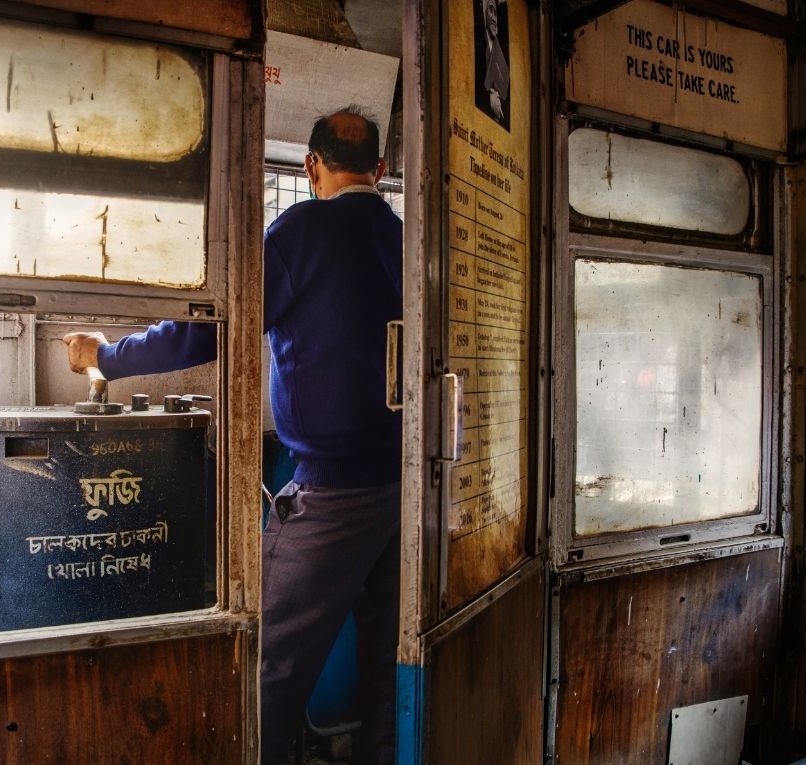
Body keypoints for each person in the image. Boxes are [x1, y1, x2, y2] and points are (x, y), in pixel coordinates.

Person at [63, 107, 403, 765]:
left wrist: (107, 357)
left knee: (264, 664)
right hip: (405, 485)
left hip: (333, 495)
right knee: (388, 661)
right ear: (381, 170)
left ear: (311, 166)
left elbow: (205, 327)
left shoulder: (301, 232)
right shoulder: (401, 237)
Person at [477, 0, 510, 125]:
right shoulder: (479, 44)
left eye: (496, 13)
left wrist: (496, 94)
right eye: (491, 10)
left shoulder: (500, 49)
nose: (494, 18)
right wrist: (490, 96)